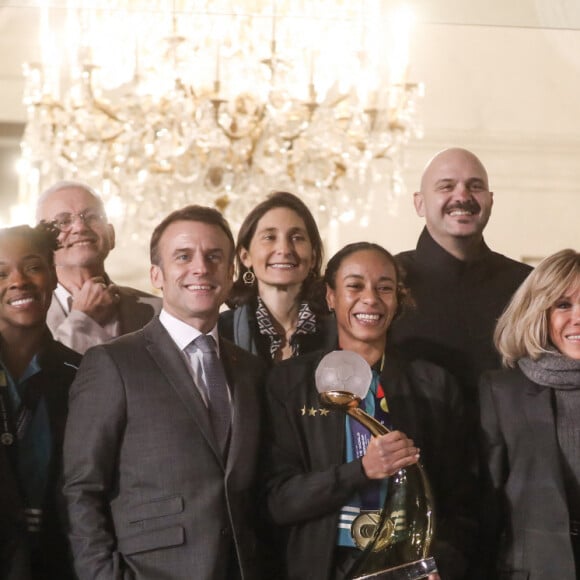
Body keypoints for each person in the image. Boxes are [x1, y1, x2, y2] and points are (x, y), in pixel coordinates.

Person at [63, 205, 267, 580]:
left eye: (214, 256)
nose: (201, 268)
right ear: (156, 274)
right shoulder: (112, 363)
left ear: (230, 272)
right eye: (183, 256)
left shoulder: (251, 370)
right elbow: (81, 490)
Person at [263, 242, 477, 580]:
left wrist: (441, 564)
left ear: (398, 300)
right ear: (331, 296)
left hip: (408, 569)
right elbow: (278, 500)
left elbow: (463, 500)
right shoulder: (289, 383)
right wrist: (361, 470)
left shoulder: (434, 385)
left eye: (385, 288)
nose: (371, 298)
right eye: (354, 285)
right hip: (324, 568)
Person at [390, 148, 532, 412]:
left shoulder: (527, 284)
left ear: (490, 200)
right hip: (413, 445)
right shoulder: (386, 281)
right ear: (419, 203)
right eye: (446, 186)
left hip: (511, 449)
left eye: (474, 186)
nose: (463, 196)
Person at [478, 248, 580, 580]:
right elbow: (484, 504)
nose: (577, 317)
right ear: (539, 311)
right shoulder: (502, 392)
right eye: (563, 305)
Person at [0, 224, 81, 579]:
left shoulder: (83, 373)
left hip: (61, 561)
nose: (18, 280)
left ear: (52, 276)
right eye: (1, 273)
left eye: (32, 266)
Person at [36, 180, 161, 353]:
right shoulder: (18, 313)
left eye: (92, 217)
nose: (80, 227)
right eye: (63, 222)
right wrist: (82, 320)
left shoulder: (159, 311)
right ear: (42, 244)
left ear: (111, 235)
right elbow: (39, 379)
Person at [219, 191, 334, 364]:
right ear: (245, 256)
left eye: (296, 238)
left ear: (314, 257)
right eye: (269, 237)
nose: (284, 249)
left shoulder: (337, 330)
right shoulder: (221, 331)